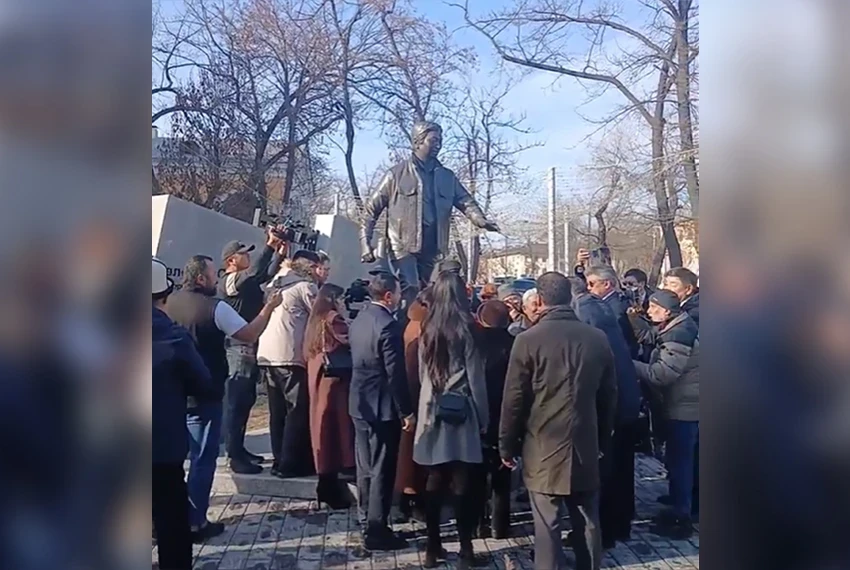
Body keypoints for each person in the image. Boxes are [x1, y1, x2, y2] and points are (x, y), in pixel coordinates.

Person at [500, 272, 618, 570]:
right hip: (584, 441)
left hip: (542, 444)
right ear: (570, 297)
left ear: (539, 300)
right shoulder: (596, 338)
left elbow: (514, 399)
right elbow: (608, 396)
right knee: (588, 518)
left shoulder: (527, 340)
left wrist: (506, 445)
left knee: (546, 523)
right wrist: (602, 440)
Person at [165, 255, 282, 541]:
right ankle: (195, 523)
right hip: (204, 393)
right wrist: (269, 307)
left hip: (169, 394)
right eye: (212, 275)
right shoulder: (216, 308)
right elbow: (249, 333)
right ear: (202, 279)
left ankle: (165, 519)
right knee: (202, 460)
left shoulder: (167, 303)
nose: (217, 280)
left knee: (168, 462)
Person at [359, 121, 499, 312]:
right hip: (402, 244)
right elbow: (370, 210)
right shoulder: (396, 174)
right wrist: (365, 243)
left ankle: (426, 330)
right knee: (411, 286)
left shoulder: (447, 177)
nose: (438, 145)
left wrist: (480, 219)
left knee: (429, 291)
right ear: (417, 142)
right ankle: (406, 331)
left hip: (432, 244)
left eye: (440, 141)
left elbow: (466, 201)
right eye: (433, 140)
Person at [413, 271, 489, 569]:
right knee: (462, 482)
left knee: (434, 479)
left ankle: (433, 547)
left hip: (432, 407)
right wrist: (483, 417)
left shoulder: (427, 326)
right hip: (461, 409)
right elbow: (476, 377)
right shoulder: (466, 327)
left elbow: (422, 373)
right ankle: (466, 550)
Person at [152, 258, 216, 569]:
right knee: (172, 528)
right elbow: (203, 383)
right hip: (162, 449)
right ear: (163, 296)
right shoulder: (175, 338)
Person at [570, 277, 641, 548]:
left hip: (613, 406)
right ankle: (620, 525)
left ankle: (605, 533)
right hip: (627, 404)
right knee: (622, 470)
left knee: (605, 473)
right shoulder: (604, 316)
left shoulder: (587, 320)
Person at [349, 272, 416, 551]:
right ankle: (377, 530)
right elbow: (395, 374)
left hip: (359, 402)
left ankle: (366, 516)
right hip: (381, 406)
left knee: (364, 465)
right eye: (398, 293)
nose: (400, 297)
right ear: (388, 296)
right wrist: (407, 411)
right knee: (381, 469)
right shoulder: (388, 326)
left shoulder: (361, 318)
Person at [630, 290, 699, 539]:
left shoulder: (678, 336)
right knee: (682, 461)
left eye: (653, 308)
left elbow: (662, 375)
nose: (649, 311)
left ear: (667, 311)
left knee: (680, 463)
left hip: (684, 408)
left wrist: (630, 364)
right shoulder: (677, 325)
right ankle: (684, 508)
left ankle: (681, 519)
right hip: (687, 404)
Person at [217, 229, 287, 474]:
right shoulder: (228, 280)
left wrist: (278, 254)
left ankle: (239, 449)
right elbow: (256, 273)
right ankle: (233, 456)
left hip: (249, 347)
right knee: (236, 403)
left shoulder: (244, 280)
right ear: (231, 261)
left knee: (246, 400)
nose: (248, 257)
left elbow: (263, 274)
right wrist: (268, 246)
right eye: (243, 254)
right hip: (237, 349)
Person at [257, 250, 321, 478]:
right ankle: (291, 464)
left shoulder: (277, 281)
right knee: (296, 410)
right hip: (289, 355)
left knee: (277, 411)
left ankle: (278, 461)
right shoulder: (305, 287)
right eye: (317, 267)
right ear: (309, 267)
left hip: (267, 354)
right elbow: (320, 315)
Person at [303, 283, 356, 509]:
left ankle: (325, 484)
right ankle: (330, 488)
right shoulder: (334, 318)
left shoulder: (314, 319)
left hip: (319, 376)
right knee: (334, 431)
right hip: (333, 382)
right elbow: (349, 339)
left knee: (321, 429)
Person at [474, 300, 515, 540]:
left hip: (479, 414)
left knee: (477, 473)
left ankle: (478, 523)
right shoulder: (514, 344)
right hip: (505, 412)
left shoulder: (472, 344)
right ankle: (500, 524)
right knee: (503, 470)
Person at [395, 288, 431, 523]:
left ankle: (404, 499)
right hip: (417, 395)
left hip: (409, 393)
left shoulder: (410, 323)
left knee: (406, 452)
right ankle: (412, 499)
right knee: (412, 454)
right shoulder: (421, 329)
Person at [584, 264, 640, 358]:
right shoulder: (606, 303)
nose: (588, 288)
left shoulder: (616, 307)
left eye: (591, 284)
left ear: (606, 284)